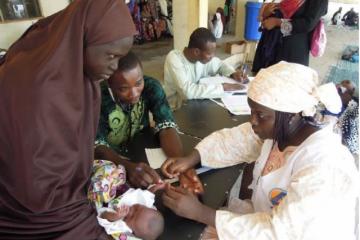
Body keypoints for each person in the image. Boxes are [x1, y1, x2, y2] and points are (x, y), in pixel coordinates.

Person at [161, 61, 359, 239]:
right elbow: (236, 141)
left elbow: (282, 232)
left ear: (291, 114)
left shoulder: (325, 167)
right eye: (252, 112)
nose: (252, 121)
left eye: (260, 115)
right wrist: (191, 158)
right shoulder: (284, 132)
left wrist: (200, 213)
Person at [0, 0, 137, 239]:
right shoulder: (38, 91)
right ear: (81, 39)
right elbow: (38, 190)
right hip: (28, 208)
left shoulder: (79, 74)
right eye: (111, 55)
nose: (114, 67)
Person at [95, 51, 183, 188]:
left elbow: (166, 125)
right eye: (124, 89)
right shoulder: (98, 98)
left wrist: (179, 162)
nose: (134, 93)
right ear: (109, 84)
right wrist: (126, 166)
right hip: (112, 158)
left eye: (138, 83)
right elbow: (97, 145)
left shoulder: (151, 87)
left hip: (143, 149)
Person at [164, 27, 247, 109]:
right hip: (176, 109)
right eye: (209, 53)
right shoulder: (174, 58)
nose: (212, 56)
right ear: (196, 52)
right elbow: (187, 91)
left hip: (195, 104)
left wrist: (233, 73)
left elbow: (220, 64)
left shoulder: (200, 59)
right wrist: (223, 87)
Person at [89, 160, 164, 240]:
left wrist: (116, 216)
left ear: (133, 232)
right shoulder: (146, 207)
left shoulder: (122, 228)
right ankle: (99, 169)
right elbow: (147, 195)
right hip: (117, 187)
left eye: (131, 217)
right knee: (116, 171)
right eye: (137, 208)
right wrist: (156, 188)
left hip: (103, 201)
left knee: (102, 190)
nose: (131, 211)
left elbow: (103, 216)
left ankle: (98, 177)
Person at [252, 0, 328, 73]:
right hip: (269, 44)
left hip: (291, 49)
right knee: (263, 79)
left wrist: (277, 22)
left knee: (283, 81)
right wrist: (265, 14)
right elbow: (262, 16)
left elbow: (308, 24)